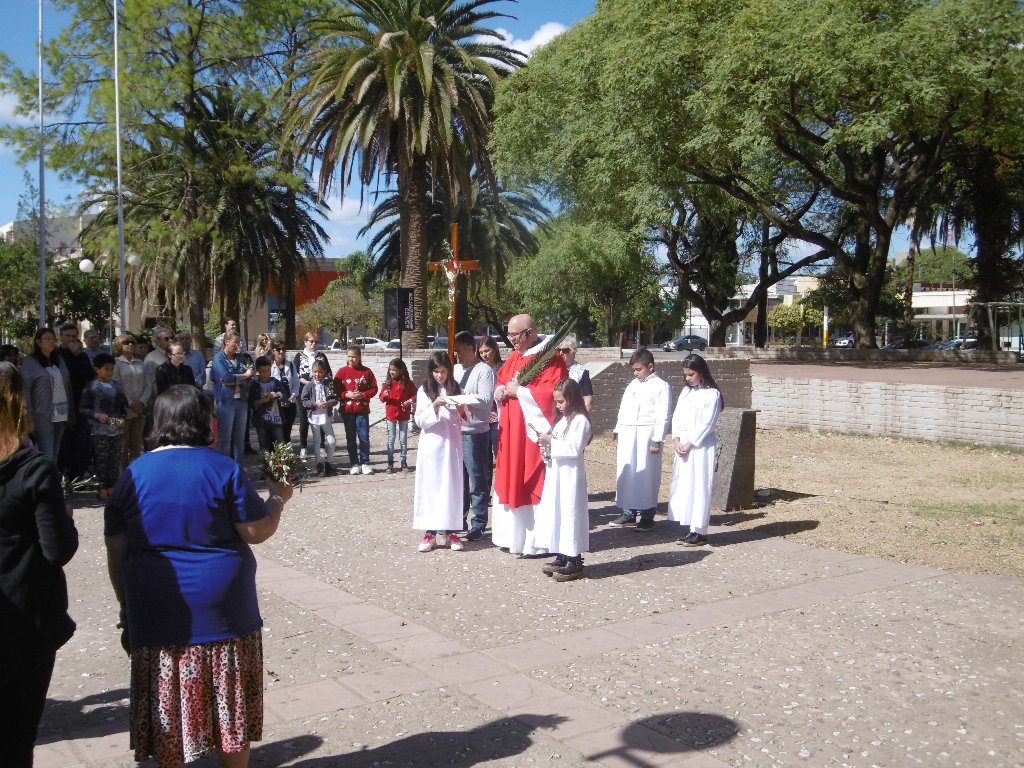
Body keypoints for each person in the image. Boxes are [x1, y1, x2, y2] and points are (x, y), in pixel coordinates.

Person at [104, 385, 292, 768]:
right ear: (203, 420)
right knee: (229, 702)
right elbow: (255, 530)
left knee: (167, 706)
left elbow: (116, 548)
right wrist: (277, 498)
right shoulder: (222, 468)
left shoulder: (132, 474)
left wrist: (125, 605)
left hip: (156, 605)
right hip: (222, 609)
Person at [0, 362, 80, 768]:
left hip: (22, 619)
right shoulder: (33, 469)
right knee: (16, 741)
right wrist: (66, 518)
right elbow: (57, 550)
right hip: (24, 623)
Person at [492, 314, 568, 555]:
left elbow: (553, 393)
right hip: (510, 430)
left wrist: (520, 392)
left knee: (532, 477)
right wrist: (500, 390)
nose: (512, 339)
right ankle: (511, 538)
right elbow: (502, 379)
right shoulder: (515, 356)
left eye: (515, 335)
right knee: (510, 474)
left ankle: (536, 542)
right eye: (510, 334)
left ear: (531, 332)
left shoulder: (551, 358)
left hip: (530, 433)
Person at [534, 377, 592, 581]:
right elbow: (556, 447)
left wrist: (551, 441)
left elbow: (574, 449)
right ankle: (561, 553)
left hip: (570, 476)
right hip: (557, 475)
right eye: (556, 402)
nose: (558, 406)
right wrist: (546, 449)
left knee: (570, 514)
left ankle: (573, 559)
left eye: (561, 402)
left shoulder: (580, 421)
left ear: (572, 399)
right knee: (557, 513)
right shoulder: (562, 422)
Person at [611, 348, 671, 531]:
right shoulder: (632, 385)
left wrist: (657, 439)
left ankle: (647, 515)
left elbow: (663, 415)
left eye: (639, 369)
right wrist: (617, 431)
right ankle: (629, 513)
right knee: (628, 474)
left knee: (646, 475)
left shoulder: (661, 386)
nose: (635, 373)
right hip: (628, 433)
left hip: (647, 434)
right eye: (634, 370)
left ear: (650, 366)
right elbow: (623, 409)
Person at [668, 354, 724, 547]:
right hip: (683, 445)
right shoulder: (686, 392)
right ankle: (691, 528)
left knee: (700, 485)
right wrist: (676, 439)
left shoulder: (712, 394)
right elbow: (676, 417)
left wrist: (691, 443)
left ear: (701, 372)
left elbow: (707, 423)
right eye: (685, 375)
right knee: (687, 486)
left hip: (700, 447)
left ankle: (700, 530)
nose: (688, 378)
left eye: (691, 374)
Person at [413, 351, 465, 552]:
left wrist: (461, 408)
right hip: (432, 445)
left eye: (443, 371)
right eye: (436, 371)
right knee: (431, 486)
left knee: (451, 485)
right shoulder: (424, 390)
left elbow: (463, 417)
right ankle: (430, 532)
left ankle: (451, 531)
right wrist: (434, 407)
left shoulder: (456, 389)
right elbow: (419, 420)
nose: (440, 376)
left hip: (451, 444)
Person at [453, 331, 496, 540]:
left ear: (472, 349)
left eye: (461, 351)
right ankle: (458, 519)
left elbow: (486, 399)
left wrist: (461, 398)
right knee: (458, 479)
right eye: (456, 351)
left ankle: (478, 522)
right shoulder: (455, 369)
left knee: (477, 479)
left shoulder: (484, 371)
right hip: (455, 431)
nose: (458, 355)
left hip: (475, 432)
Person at [79, 352, 129, 498]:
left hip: (115, 429)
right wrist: (97, 416)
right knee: (101, 461)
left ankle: (113, 488)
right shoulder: (91, 387)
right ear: (97, 369)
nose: (110, 372)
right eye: (106, 369)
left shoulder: (117, 386)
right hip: (99, 431)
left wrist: (122, 419)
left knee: (114, 461)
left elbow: (124, 406)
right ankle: (101, 488)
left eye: (112, 369)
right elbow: (83, 409)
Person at [20, 327, 73, 462]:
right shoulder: (30, 362)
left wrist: (71, 412)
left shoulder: (58, 360)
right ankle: (46, 476)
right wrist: (29, 417)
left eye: (53, 338)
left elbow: (67, 386)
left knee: (55, 453)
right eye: (47, 338)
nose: (51, 341)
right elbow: (25, 391)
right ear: (38, 342)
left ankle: (52, 475)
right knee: (47, 453)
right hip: (42, 415)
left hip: (61, 413)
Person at [56, 322, 96, 478]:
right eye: (67, 336)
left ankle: (76, 476)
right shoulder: (55, 355)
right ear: (61, 337)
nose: (71, 339)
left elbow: (90, 377)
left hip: (80, 405)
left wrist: (77, 356)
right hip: (61, 405)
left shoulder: (82, 356)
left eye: (74, 336)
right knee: (62, 443)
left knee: (80, 443)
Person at [210, 331, 255, 464]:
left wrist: (236, 379)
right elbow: (225, 377)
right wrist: (244, 375)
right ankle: (223, 468)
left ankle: (238, 468)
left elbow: (251, 378)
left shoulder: (242, 358)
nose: (237, 345)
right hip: (226, 402)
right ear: (226, 342)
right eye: (235, 342)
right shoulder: (218, 358)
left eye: (239, 342)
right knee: (225, 438)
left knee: (239, 439)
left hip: (241, 401)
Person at [335, 345, 378, 475]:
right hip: (347, 410)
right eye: (349, 357)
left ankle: (365, 463)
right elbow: (336, 388)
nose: (351, 359)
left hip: (362, 409)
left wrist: (363, 394)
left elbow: (374, 388)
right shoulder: (342, 372)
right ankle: (354, 463)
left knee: (364, 436)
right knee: (351, 437)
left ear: (359, 357)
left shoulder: (367, 372)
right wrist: (345, 394)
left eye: (354, 357)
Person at [112, 335, 150, 471]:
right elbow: (116, 386)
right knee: (123, 446)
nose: (130, 345)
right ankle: (123, 475)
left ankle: (137, 474)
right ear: (119, 345)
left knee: (136, 446)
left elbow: (148, 385)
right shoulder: (116, 363)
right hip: (123, 411)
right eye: (126, 343)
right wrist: (130, 403)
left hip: (139, 410)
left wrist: (142, 402)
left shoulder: (140, 363)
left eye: (132, 342)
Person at [300, 359, 338, 476]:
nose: (317, 374)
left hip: (325, 416)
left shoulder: (329, 384)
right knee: (317, 441)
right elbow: (304, 401)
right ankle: (318, 464)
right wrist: (314, 404)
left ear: (324, 372)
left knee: (332, 441)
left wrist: (328, 403)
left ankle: (328, 463)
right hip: (314, 417)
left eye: (320, 372)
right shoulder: (309, 386)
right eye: (315, 372)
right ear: (312, 372)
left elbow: (335, 398)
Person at [378, 357, 416, 473]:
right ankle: (390, 463)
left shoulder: (408, 383)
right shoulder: (387, 384)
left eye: (394, 370)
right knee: (391, 438)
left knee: (403, 438)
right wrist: (385, 394)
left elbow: (416, 395)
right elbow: (381, 398)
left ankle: (403, 461)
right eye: (390, 369)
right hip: (391, 414)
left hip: (403, 414)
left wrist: (409, 401)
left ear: (401, 370)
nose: (391, 372)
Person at [249, 355, 289, 453]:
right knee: (264, 445)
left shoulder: (275, 382)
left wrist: (277, 394)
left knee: (281, 444)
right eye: (262, 371)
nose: (265, 373)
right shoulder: (255, 385)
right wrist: (262, 401)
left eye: (268, 371)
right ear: (258, 371)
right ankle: (266, 461)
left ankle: (281, 461)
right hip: (261, 421)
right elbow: (251, 403)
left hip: (276, 419)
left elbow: (284, 395)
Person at [292, 333, 322, 459]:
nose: (313, 344)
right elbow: (295, 374)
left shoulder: (321, 356)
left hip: (319, 391)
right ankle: (303, 447)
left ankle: (321, 446)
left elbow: (328, 373)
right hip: (303, 391)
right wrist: (308, 383)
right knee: (304, 420)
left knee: (320, 419)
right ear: (305, 342)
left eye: (315, 341)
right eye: (311, 341)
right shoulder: (299, 356)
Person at [268, 343, 300, 447]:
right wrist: (278, 400)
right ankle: (276, 454)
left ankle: (286, 454)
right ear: (273, 351)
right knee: (276, 432)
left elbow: (296, 383)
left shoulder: (290, 365)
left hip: (290, 404)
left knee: (287, 432)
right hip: (275, 405)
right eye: (278, 349)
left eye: (283, 349)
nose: (281, 351)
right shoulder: (269, 366)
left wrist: (293, 396)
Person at [477, 336, 503, 460]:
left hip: (498, 417)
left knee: (499, 452)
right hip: (483, 418)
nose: (484, 355)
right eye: (481, 352)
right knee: (484, 456)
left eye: (487, 351)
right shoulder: (478, 370)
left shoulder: (502, 369)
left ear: (495, 349)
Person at [559, 334, 594, 412]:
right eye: (559, 350)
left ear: (573, 353)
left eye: (565, 350)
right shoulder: (553, 369)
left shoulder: (581, 372)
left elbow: (588, 401)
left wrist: (580, 417)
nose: (561, 353)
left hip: (573, 414)